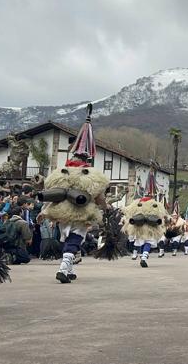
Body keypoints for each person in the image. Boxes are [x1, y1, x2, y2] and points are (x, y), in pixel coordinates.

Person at [38, 103, 110, 283]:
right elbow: (99, 197)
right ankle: (63, 268)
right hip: (81, 212)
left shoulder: (61, 173)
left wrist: (44, 211)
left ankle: (69, 271)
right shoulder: (91, 176)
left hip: (62, 213)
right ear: (88, 157)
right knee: (75, 240)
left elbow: (53, 194)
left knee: (69, 240)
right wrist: (106, 208)